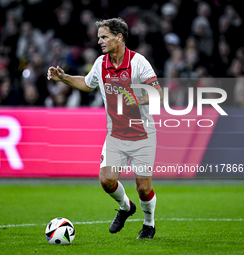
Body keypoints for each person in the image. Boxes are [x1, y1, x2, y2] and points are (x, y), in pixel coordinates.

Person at [47, 17, 162, 239]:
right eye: (99, 37)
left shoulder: (139, 63)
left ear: (119, 38)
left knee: (143, 187)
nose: (99, 41)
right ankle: (126, 206)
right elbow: (87, 84)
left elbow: (158, 93)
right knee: (106, 180)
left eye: (104, 37)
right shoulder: (101, 63)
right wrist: (63, 78)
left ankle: (149, 224)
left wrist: (136, 99)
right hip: (116, 135)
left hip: (142, 134)